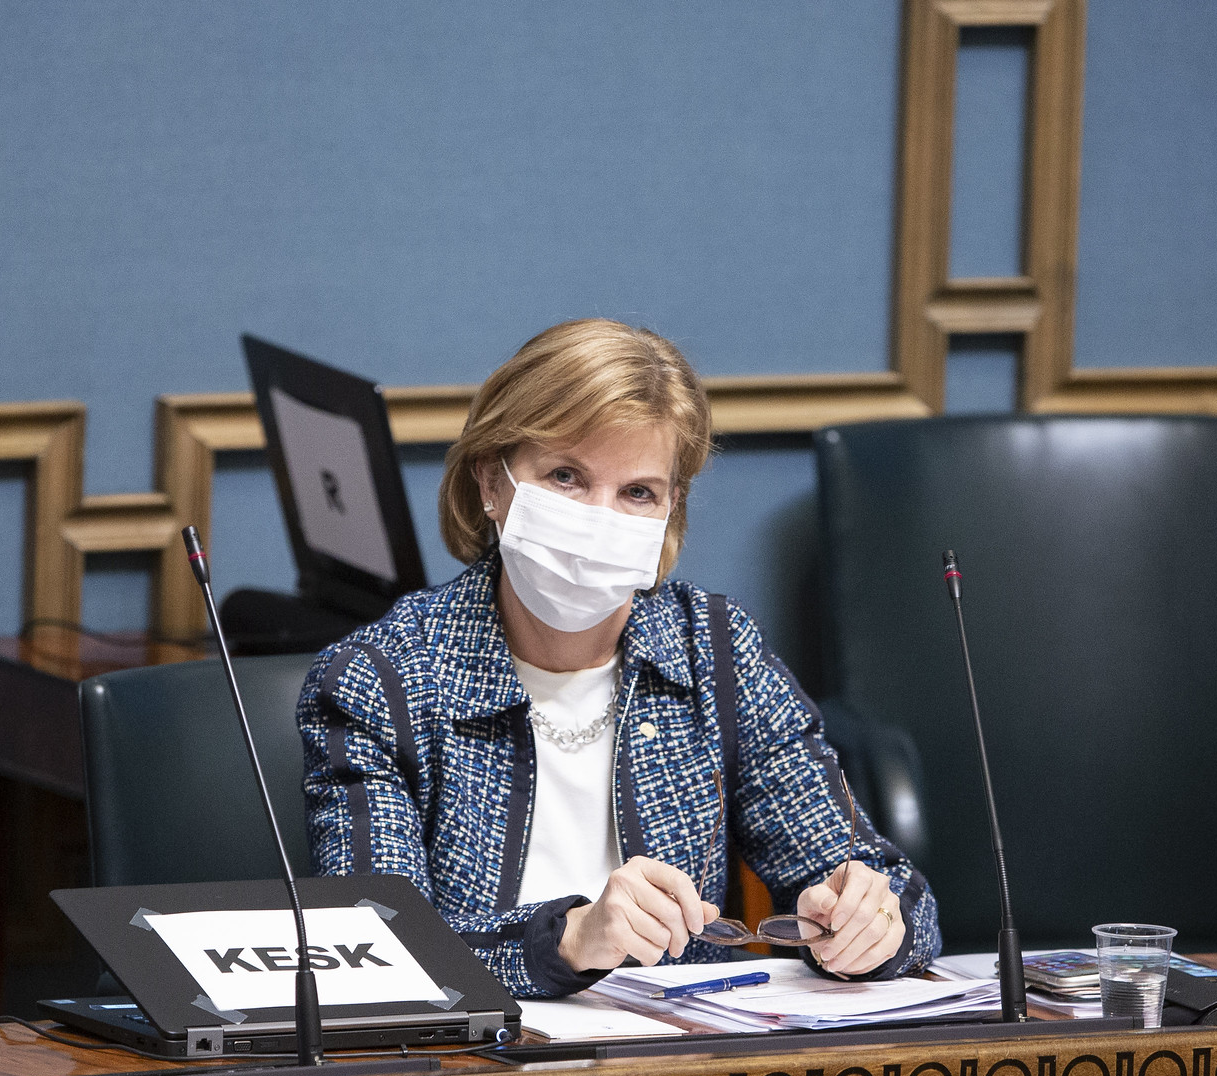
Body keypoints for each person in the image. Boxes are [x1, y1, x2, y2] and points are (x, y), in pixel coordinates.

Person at [298, 319, 942, 998]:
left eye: (637, 492)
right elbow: (379, 954)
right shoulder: (380, 680)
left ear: (670, 510)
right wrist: (569, 940)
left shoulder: (714, 651)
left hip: (686, 1053)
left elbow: (897, 898)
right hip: (477, 1057)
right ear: (491, 482)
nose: (598, 519)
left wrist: (872, 924)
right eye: (566, 477)